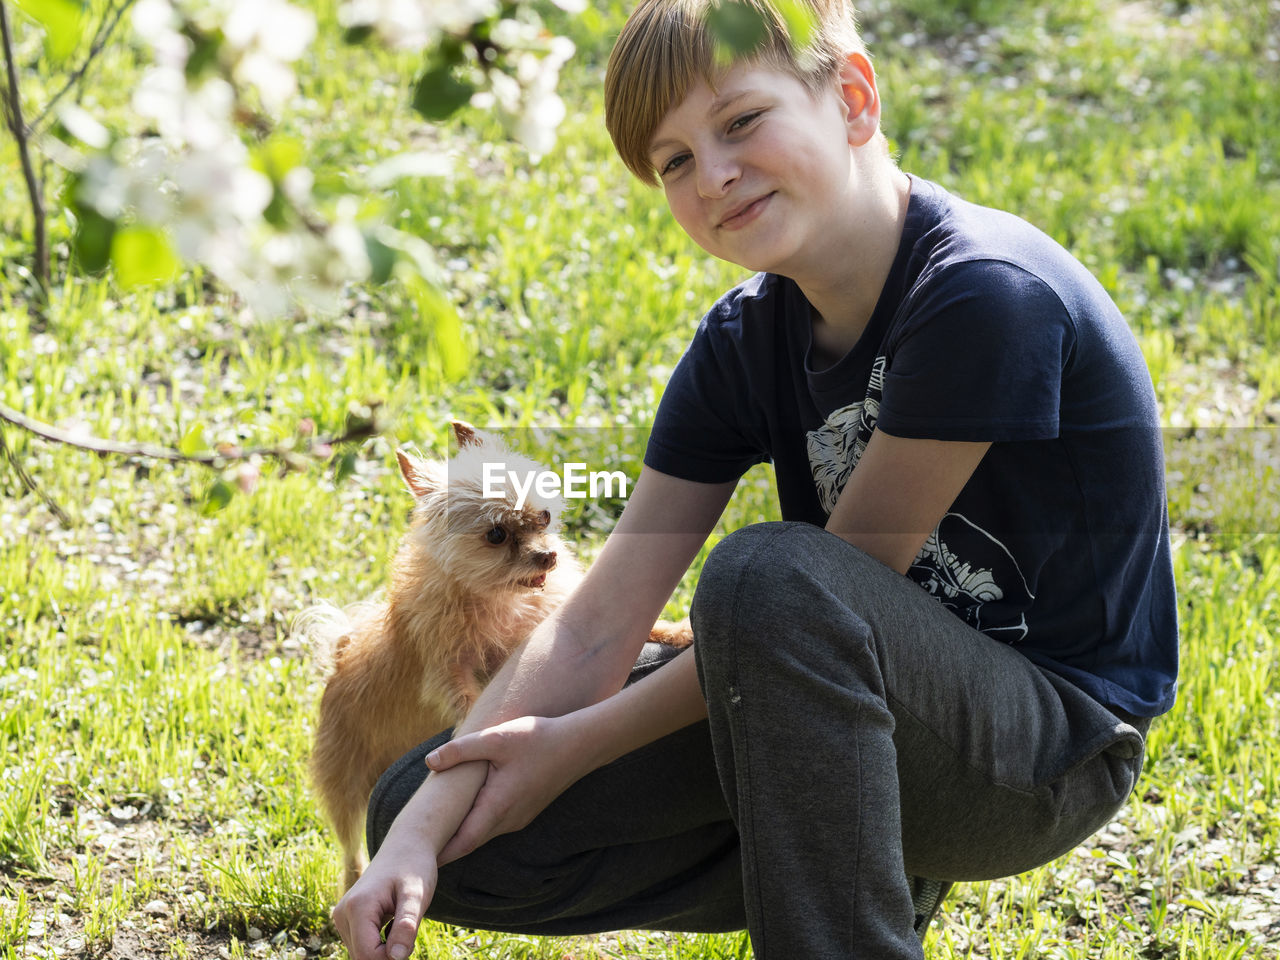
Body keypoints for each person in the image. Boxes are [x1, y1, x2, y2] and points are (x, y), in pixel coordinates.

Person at [330, 1, 1179, 957]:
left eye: (740, 123)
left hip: (1043, 752)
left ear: (853, 98)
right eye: (675, 161)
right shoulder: (744, 339)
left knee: (771, 578)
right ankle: (851, 864)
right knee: (447, 811)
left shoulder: (985, 294)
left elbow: (834, 584)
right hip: (840, 702)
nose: (715, 175)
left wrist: (574, 747)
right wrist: (420, 823)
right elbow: (600, 619)